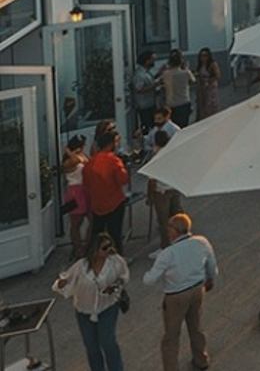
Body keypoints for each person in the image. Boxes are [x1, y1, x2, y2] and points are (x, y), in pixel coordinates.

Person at [143, 213, 218, 371]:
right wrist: (210, 279)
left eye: (169, 228)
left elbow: (149, 280)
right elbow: (211, 265)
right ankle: (201, 359)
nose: (167, 231)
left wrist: (148, 274)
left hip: (176, 296)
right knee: (196, 327)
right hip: (197, 289)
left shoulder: (167, 254)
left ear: (175, 231)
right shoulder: (201, 242)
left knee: (171, 336)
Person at [53, 231, 129, 371]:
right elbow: (65, 279)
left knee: (108, 342)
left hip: (108, 307)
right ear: (95, 249)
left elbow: (124, 277)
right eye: (104, 248)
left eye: (110, 246)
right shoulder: (81, 266)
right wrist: (61, 284)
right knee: (91, 345)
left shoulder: (115, 261)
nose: (109, 250)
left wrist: (115, 286)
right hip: (84, 311)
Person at [83, 130, 128, 255]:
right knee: (115, 235)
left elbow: (86, 184)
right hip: (115, 203)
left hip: (97, 205)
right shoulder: (113, 160)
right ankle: (117, 261)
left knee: (97, 235)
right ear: (111, 144)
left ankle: (94, 259)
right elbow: (123, 180)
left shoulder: (90, 163)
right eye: (117, 142)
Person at [147, 130, 183, 251]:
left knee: (164, 222)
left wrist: (150, 196)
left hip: (161, 192)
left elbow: (152, 179)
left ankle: (165, 247)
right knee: (177, 216)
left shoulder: (156, 155)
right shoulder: (174, 152)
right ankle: (181, 242)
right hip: (173, 188)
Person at [62, 135, 91, 260]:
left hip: (85, 189)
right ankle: (78, 247)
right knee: (75, 223)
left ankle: (87, 245)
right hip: (74, 191)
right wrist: (69, 152)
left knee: (92, 219)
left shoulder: (82, 155)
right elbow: (77, 161)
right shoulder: (70, 160)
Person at [160, 50, 195, 127]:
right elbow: (193, 81)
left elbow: (160, 82)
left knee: (172, 126)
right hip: (184, 102)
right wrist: (186, 68)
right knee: (183, 126)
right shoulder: (186, 73)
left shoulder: (165, 74)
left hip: (170, 103)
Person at [132, 51, 159, 132]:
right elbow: (138, 89)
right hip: (145, 106)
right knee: (148, 127)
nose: (154, 62)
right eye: (152, 60)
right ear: (147, 61)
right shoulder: (140, 74)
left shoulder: (146, 72)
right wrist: (155, 85)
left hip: (150, 103)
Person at [192, 48, 221, 121]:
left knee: (209, 105)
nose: (203, 58)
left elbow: (217, 76)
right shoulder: (200, 65)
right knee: (201, 105)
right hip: (201, 88)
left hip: (210, 88)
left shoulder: (212, 64)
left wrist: (208, 81)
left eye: (205, 55)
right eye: (201, 56)